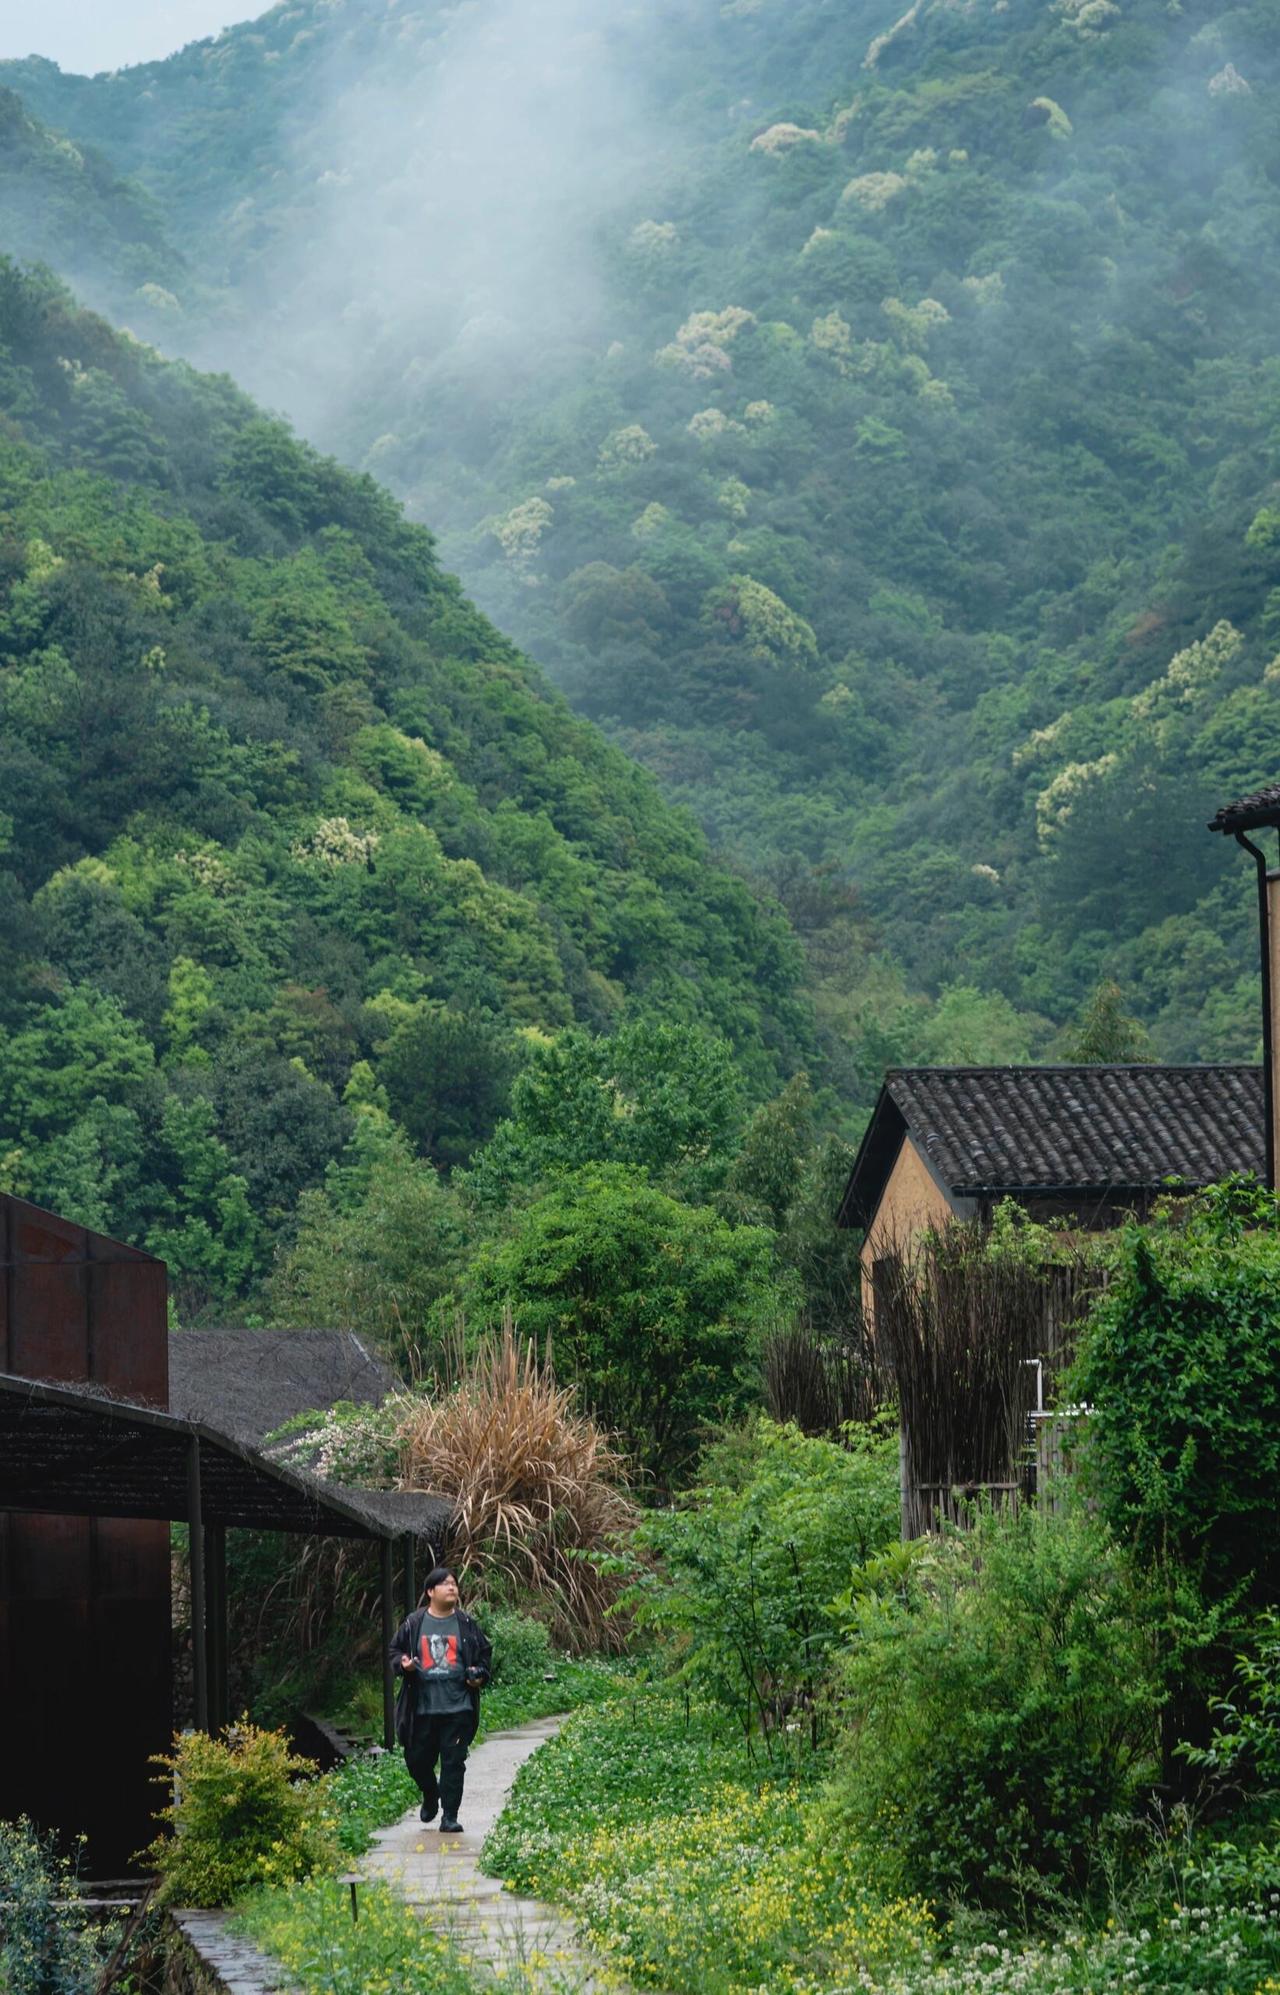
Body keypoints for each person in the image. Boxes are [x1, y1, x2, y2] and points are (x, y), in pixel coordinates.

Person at [387, 1564, 492, 1833]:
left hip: (458, 1707)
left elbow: (484, 1655)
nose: (452, 1588)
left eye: (454, 1584)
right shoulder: (413, 1623)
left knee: (453, 1763)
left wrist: (479, 1674)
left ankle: (450, 1816)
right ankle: (430, 1793)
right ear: (430, 1591)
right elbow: (394, 1651)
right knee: (417, 1760)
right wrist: (404, 1663)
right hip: (420, 1708)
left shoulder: (466, 1624)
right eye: (445, 1584)